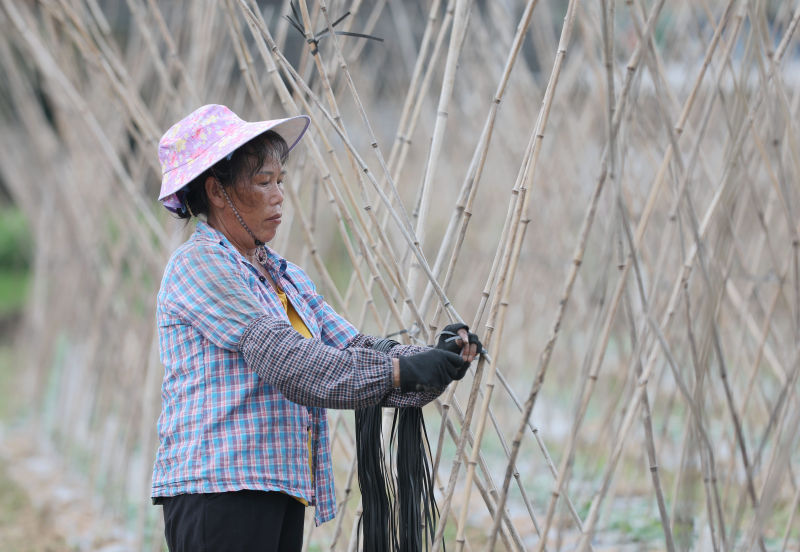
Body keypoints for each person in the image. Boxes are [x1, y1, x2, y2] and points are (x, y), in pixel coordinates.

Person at [151, 104, 482, 551]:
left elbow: (355, 349)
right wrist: (402, 372)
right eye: (263, 181)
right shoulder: (200, 266)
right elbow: (292, 362)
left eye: (280, 181)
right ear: (216, 190)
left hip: (277, 487)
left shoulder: (284, 278)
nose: (278, 195)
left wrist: (435, 358)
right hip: (218, 491)